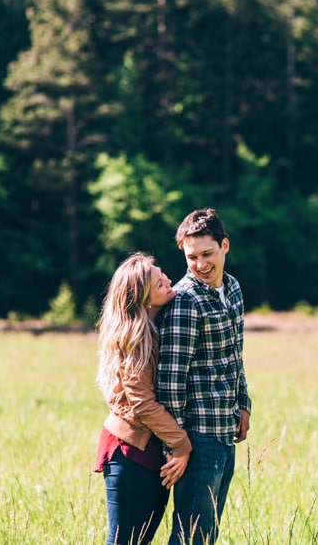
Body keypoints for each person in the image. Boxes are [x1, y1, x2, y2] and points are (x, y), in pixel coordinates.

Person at [156, 208, 252, 545]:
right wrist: (177, 445)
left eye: (207, 254)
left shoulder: (234, 289)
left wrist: (244, 404)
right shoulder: (185, 301)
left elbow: (234, 356)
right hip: (198, 437)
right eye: (191, 257)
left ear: (225, 245)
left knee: (207, 534)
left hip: (227, 429)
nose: (200, 264)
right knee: (191, 537)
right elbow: (170, 381)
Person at [94, 253, 193, 545]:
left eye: (161, 273)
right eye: (157, 280)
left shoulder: (155, 327)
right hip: (130, 454)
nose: (166, 279)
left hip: (147, 453)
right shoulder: (135, 339)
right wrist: (181, 444)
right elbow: (142, 404)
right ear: (142, 297)